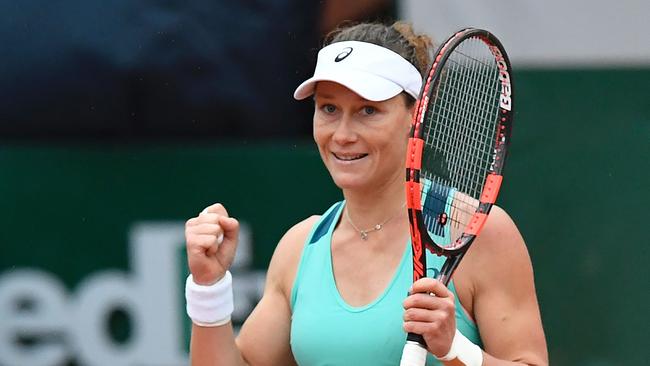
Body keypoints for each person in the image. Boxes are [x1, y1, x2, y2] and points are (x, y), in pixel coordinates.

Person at [183, 22, 548, 366]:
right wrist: (208, 288)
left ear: (414, 116)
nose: (342, 134)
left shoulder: (476, 231)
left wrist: (457, 349)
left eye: (368, 111)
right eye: (329, 109)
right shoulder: (300, 247)